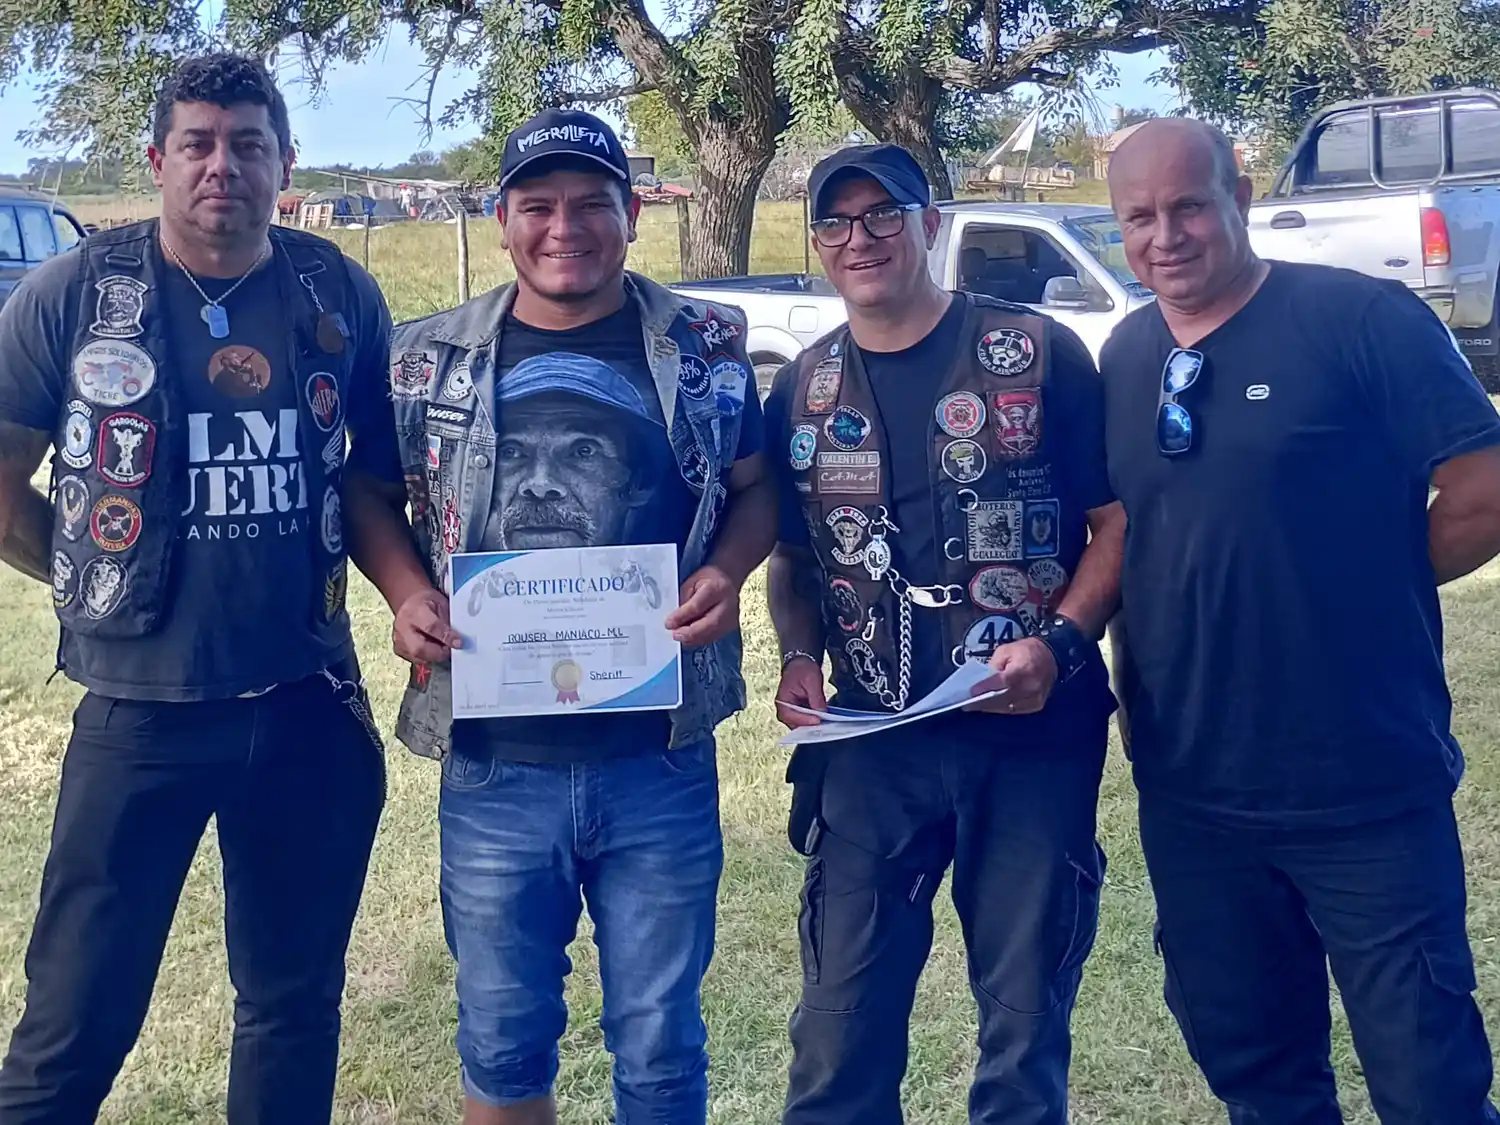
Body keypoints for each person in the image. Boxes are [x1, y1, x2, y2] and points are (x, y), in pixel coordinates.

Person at [342, 108, 776, 1125]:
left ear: (634, 215)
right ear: (502, 219)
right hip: (496, 764)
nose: (563, 227)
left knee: (661, 1044)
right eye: (537, 205)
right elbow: (367, 493)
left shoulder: (704, 345)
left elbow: (756, 490)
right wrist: (406, 592)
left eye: (591, 204)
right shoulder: (426, 357)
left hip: (659, 756)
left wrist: (726, 572)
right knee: (502, 1041)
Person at [0, 53, 392, 1124]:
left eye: (249, 144)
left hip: (306, 701)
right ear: (158, 159)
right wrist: (91, 571)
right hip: (140, 712)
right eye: (199, 144)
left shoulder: (336, 290)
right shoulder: (77, 290)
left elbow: (375, 478)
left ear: (286, 163)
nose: (224, 165)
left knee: (293, 1008)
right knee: (73, 1023)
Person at [1102, 117, 1500, 1124]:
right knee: (1260, 1077)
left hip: (1362, 786)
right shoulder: (1127, 353)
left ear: (1238, 197)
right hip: (1193, 792)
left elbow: (1484, 487)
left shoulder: (1360, 320)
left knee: (1430, 1083)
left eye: (1188, 206)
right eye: (1139, 217)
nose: (1166, 235)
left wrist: (1367, 579)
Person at [763, 143, 1126, 1125]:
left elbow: (1115, 525)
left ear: (930, 224)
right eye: (836, 221)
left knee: (1022, 1021)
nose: (861, 238)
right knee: (838, 1030)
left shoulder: (1038, 353)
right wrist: (798, 654)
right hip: (873, 738)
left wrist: (1059, 644)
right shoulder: (803, 388)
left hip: (1031, 735)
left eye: (884, 214)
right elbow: (793, 558)